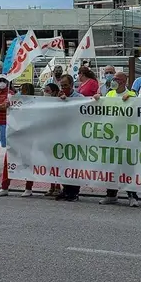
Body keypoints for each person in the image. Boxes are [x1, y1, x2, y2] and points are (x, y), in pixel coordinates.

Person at [97, 72, 138, 206]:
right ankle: (111, 194)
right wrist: (98, 98)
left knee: (127, 167)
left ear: (124, 82)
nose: (114, 81)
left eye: (117, 79)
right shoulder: (110, 94)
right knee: (111, 166)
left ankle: (132, 196)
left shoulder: (132, 95)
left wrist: (131, 99)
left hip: (126, 136)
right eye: (113, 79)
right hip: (110, 136)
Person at [56, 74, 84, 202]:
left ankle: (74, 192)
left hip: (75, 136)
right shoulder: (57, 98)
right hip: (62, 136)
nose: (64, 88)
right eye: (62, 85)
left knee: (74, 165)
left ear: (72, 85)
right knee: (62, 164)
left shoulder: (80, 98)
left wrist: (67, 101)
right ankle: (65, 189)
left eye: (66, 85)